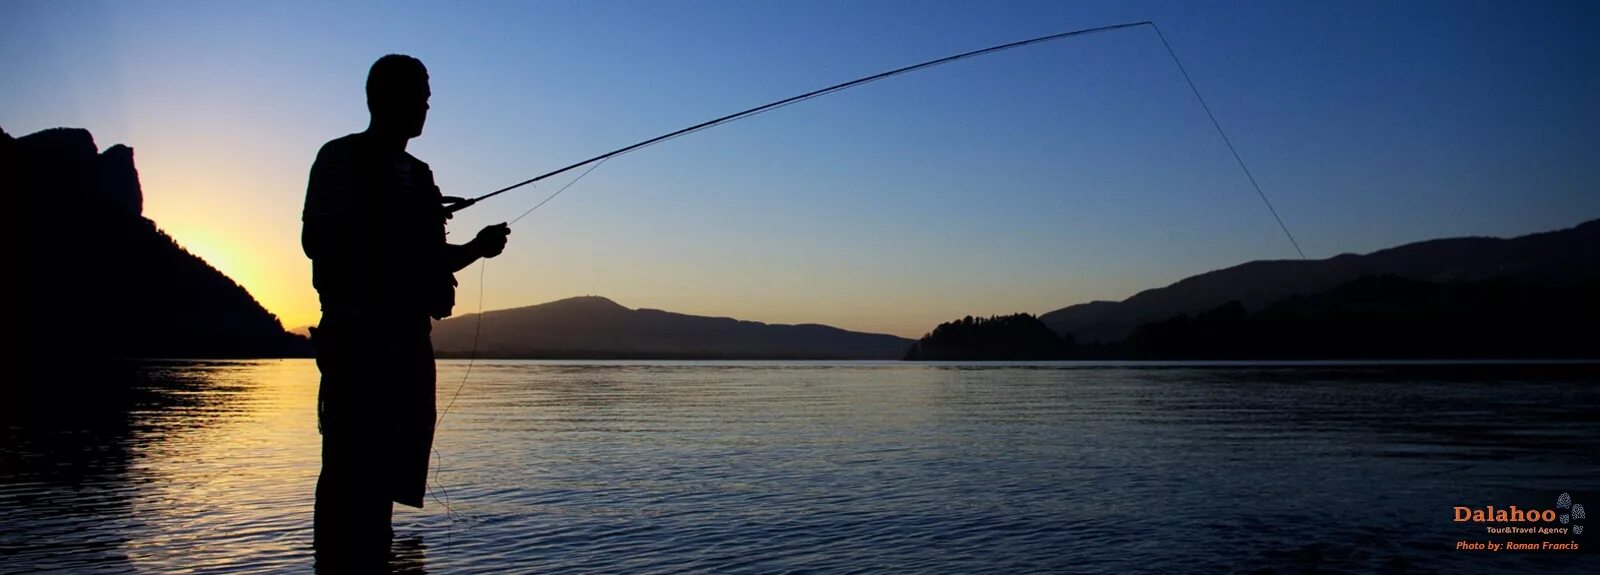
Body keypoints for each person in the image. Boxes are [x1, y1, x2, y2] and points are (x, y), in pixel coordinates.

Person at [301, 54, 510, 563]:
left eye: (427, 97)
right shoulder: (339, 157)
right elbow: (319, 241)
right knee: (349, 478)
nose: (426, 106)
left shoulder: (419, 173)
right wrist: (397, 222)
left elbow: (428, 263)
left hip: (410, 347)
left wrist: (476, 249)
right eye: (418, 96)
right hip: (358, 344)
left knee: (388, 485)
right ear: (382, 98)